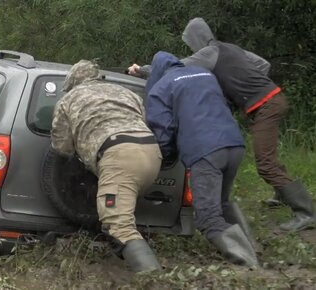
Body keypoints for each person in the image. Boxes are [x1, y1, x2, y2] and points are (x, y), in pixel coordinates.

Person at [129, 17, 315, 232]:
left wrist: (142, 70)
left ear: (195, 39)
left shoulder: (209, 53)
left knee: (265, 163)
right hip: (273, 100)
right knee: (268, 155)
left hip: (267, 106)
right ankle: (282, 195)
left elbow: (177, 68)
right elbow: (264, 64)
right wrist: (244, 84)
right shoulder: (231, 49)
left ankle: (305, 213)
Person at [145, 51, 258, 267]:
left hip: (205, 152)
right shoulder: (204, 74)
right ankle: (252, 246)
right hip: (234, 144)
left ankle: (250, 265)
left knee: (208, 219)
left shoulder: (161, 87)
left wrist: (167, 158)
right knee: (222, 204)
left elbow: (162, 130)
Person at [51, 59, 163, 273]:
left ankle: (156, 281)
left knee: (118, 225)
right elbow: (141, 121)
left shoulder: (69, 99)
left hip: (118, 158)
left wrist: (81, 151)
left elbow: (61, 146)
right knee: (120, 218)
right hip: (151, 152)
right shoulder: (126, 92)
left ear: (72, 81)